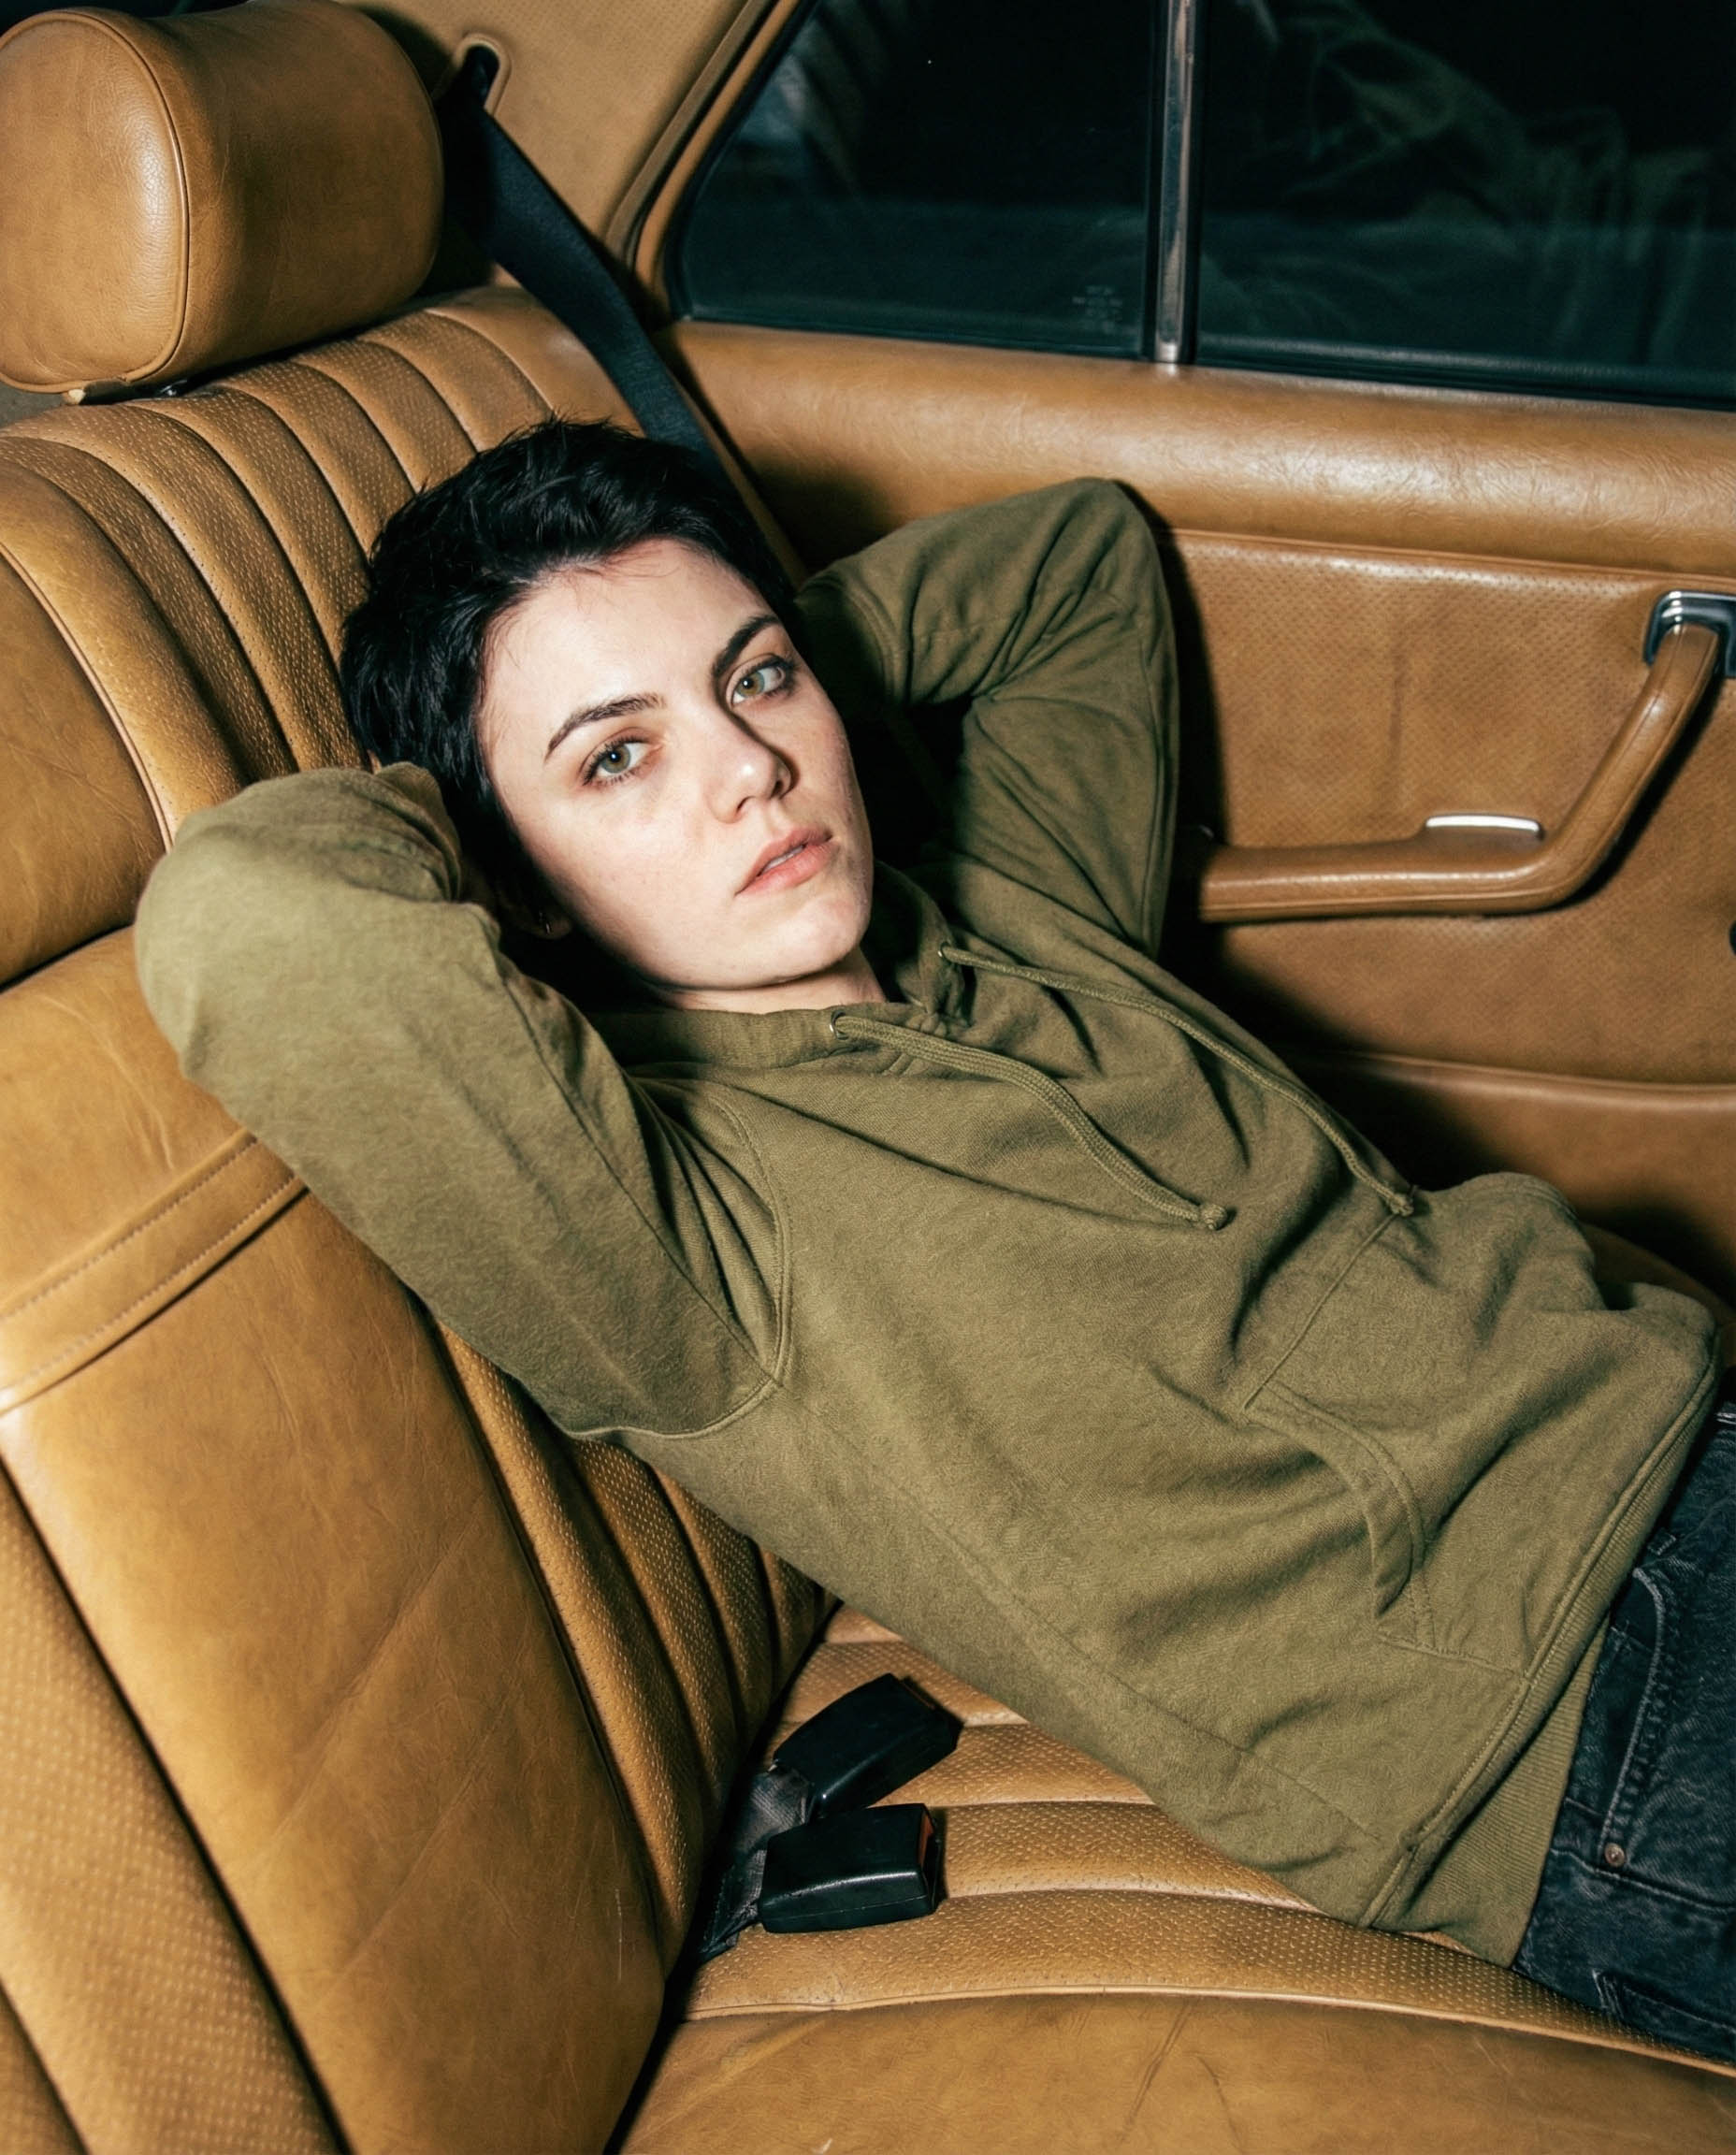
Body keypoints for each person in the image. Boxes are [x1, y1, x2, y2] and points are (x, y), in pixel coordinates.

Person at [134, 419, 1730, 2050]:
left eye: (762, 684)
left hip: (1674, 1400)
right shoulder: (673, 1241)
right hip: (1586, 1705)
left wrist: (713, 666)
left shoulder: (1008, 899)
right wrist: (490, 819)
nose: (750, 770)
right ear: (514, 878)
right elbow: (244, 921)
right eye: (616, 762)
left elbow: (1078, 561)